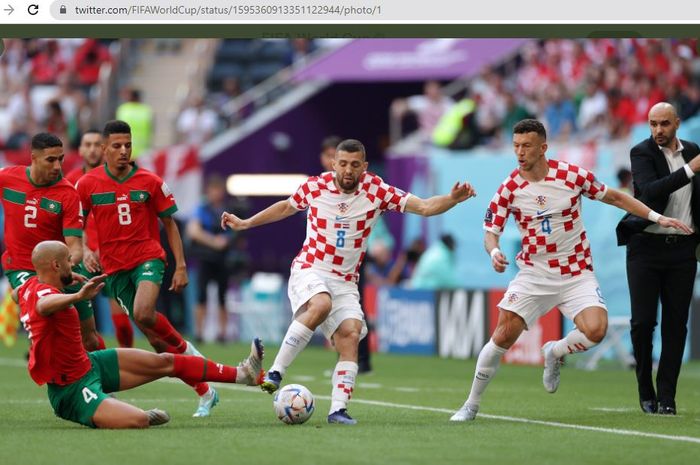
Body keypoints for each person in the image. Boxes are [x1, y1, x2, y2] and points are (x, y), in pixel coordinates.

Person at [450, 119, 692, 422]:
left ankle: (555, 351)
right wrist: (495, 251)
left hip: (576, 271)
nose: (520, 153)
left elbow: (615, 197)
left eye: (526, 146)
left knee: (596, 330)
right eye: (516, 146)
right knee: (502, 336)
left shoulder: (571, 175)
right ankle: (471, 404)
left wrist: (658, 216)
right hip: (535, 274)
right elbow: (491, 232)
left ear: (543, 148)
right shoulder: (509, 189)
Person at [222, 138, 476, 424]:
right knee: (320, 304)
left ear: (364, 167)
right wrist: (245, 222)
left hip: (345, 281)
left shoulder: (377, 190)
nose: (348, 170)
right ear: (334, 163)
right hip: (311, 268)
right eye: (342, 164)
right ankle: (276, 372)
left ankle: (337, 410)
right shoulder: (315, 187)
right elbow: (284, 207)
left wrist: (452, 199)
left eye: (355, 165)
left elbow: (426, 206)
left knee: (351, 335)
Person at [16, 240, 264, 429]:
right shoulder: (44, 296)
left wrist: (65, 283)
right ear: (56, 265)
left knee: (165, 361)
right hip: (70, 391)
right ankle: (133, 413)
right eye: (69, 261)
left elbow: (22, 296)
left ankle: (244, 375)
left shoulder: (28, 287)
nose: (73, 264)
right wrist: (78, 295)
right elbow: (43, 306)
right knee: (138, 420)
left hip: (89, 365)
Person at [76, 120, 218, 418]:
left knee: (143, 313)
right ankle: (205, 391)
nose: (124, 150)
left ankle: (188, 349)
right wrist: (87, 250)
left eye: (127, 145)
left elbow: (170, 225)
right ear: (104, 150)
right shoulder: (87, 185)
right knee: (156, 341)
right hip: (115, 270)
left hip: (148, 258)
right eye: (117, 146)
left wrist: (180, 265)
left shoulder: (150, 181)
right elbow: (75, 224)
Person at [616, 102, 700, 415]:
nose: (658, 131)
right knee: (642, 323)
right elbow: (649, 192)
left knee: (676, 326)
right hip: (645, 247)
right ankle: (644, 388)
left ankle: (667, 397)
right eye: (653, 124)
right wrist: (691, 169)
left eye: (664, 124)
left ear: (677, 123)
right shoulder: (642, 153)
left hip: (682, 250)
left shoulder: (693, 150)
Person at [0, 132, 104, 352]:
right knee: (51, 323)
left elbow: (74, 246)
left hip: (60, 270)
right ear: (34, 158)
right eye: (51, 160)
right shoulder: (7, 179)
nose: (57, 166)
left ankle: (98, 383)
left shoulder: (67, 194)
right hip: (20, 267)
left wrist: (65, 270)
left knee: (90, 340)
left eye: (61, 159)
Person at [66, 130, 134, 348]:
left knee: (123, 325)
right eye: (88, 144)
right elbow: (71, 221)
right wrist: (83, 249)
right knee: (79, 320)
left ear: (104, 148)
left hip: (113, 256)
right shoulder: (71, 181)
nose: (93, 149)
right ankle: (92, 363)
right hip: (83, 257)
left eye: (97, 144)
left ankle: (128, 359)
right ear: (80, 149)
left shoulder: (120, 177)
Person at [186, 175, 238, 343]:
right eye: (213, 190)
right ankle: (199, 332)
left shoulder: (228, 209)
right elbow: (193, 231)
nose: (216, 193)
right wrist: (214, 242)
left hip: (223, 260)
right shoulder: (202, 209)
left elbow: (236, 232)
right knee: (202, 296)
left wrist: (227, 241)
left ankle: (222, 334)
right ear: (208, 191)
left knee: (223, 298)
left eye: (219, 190)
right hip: (205, 259)